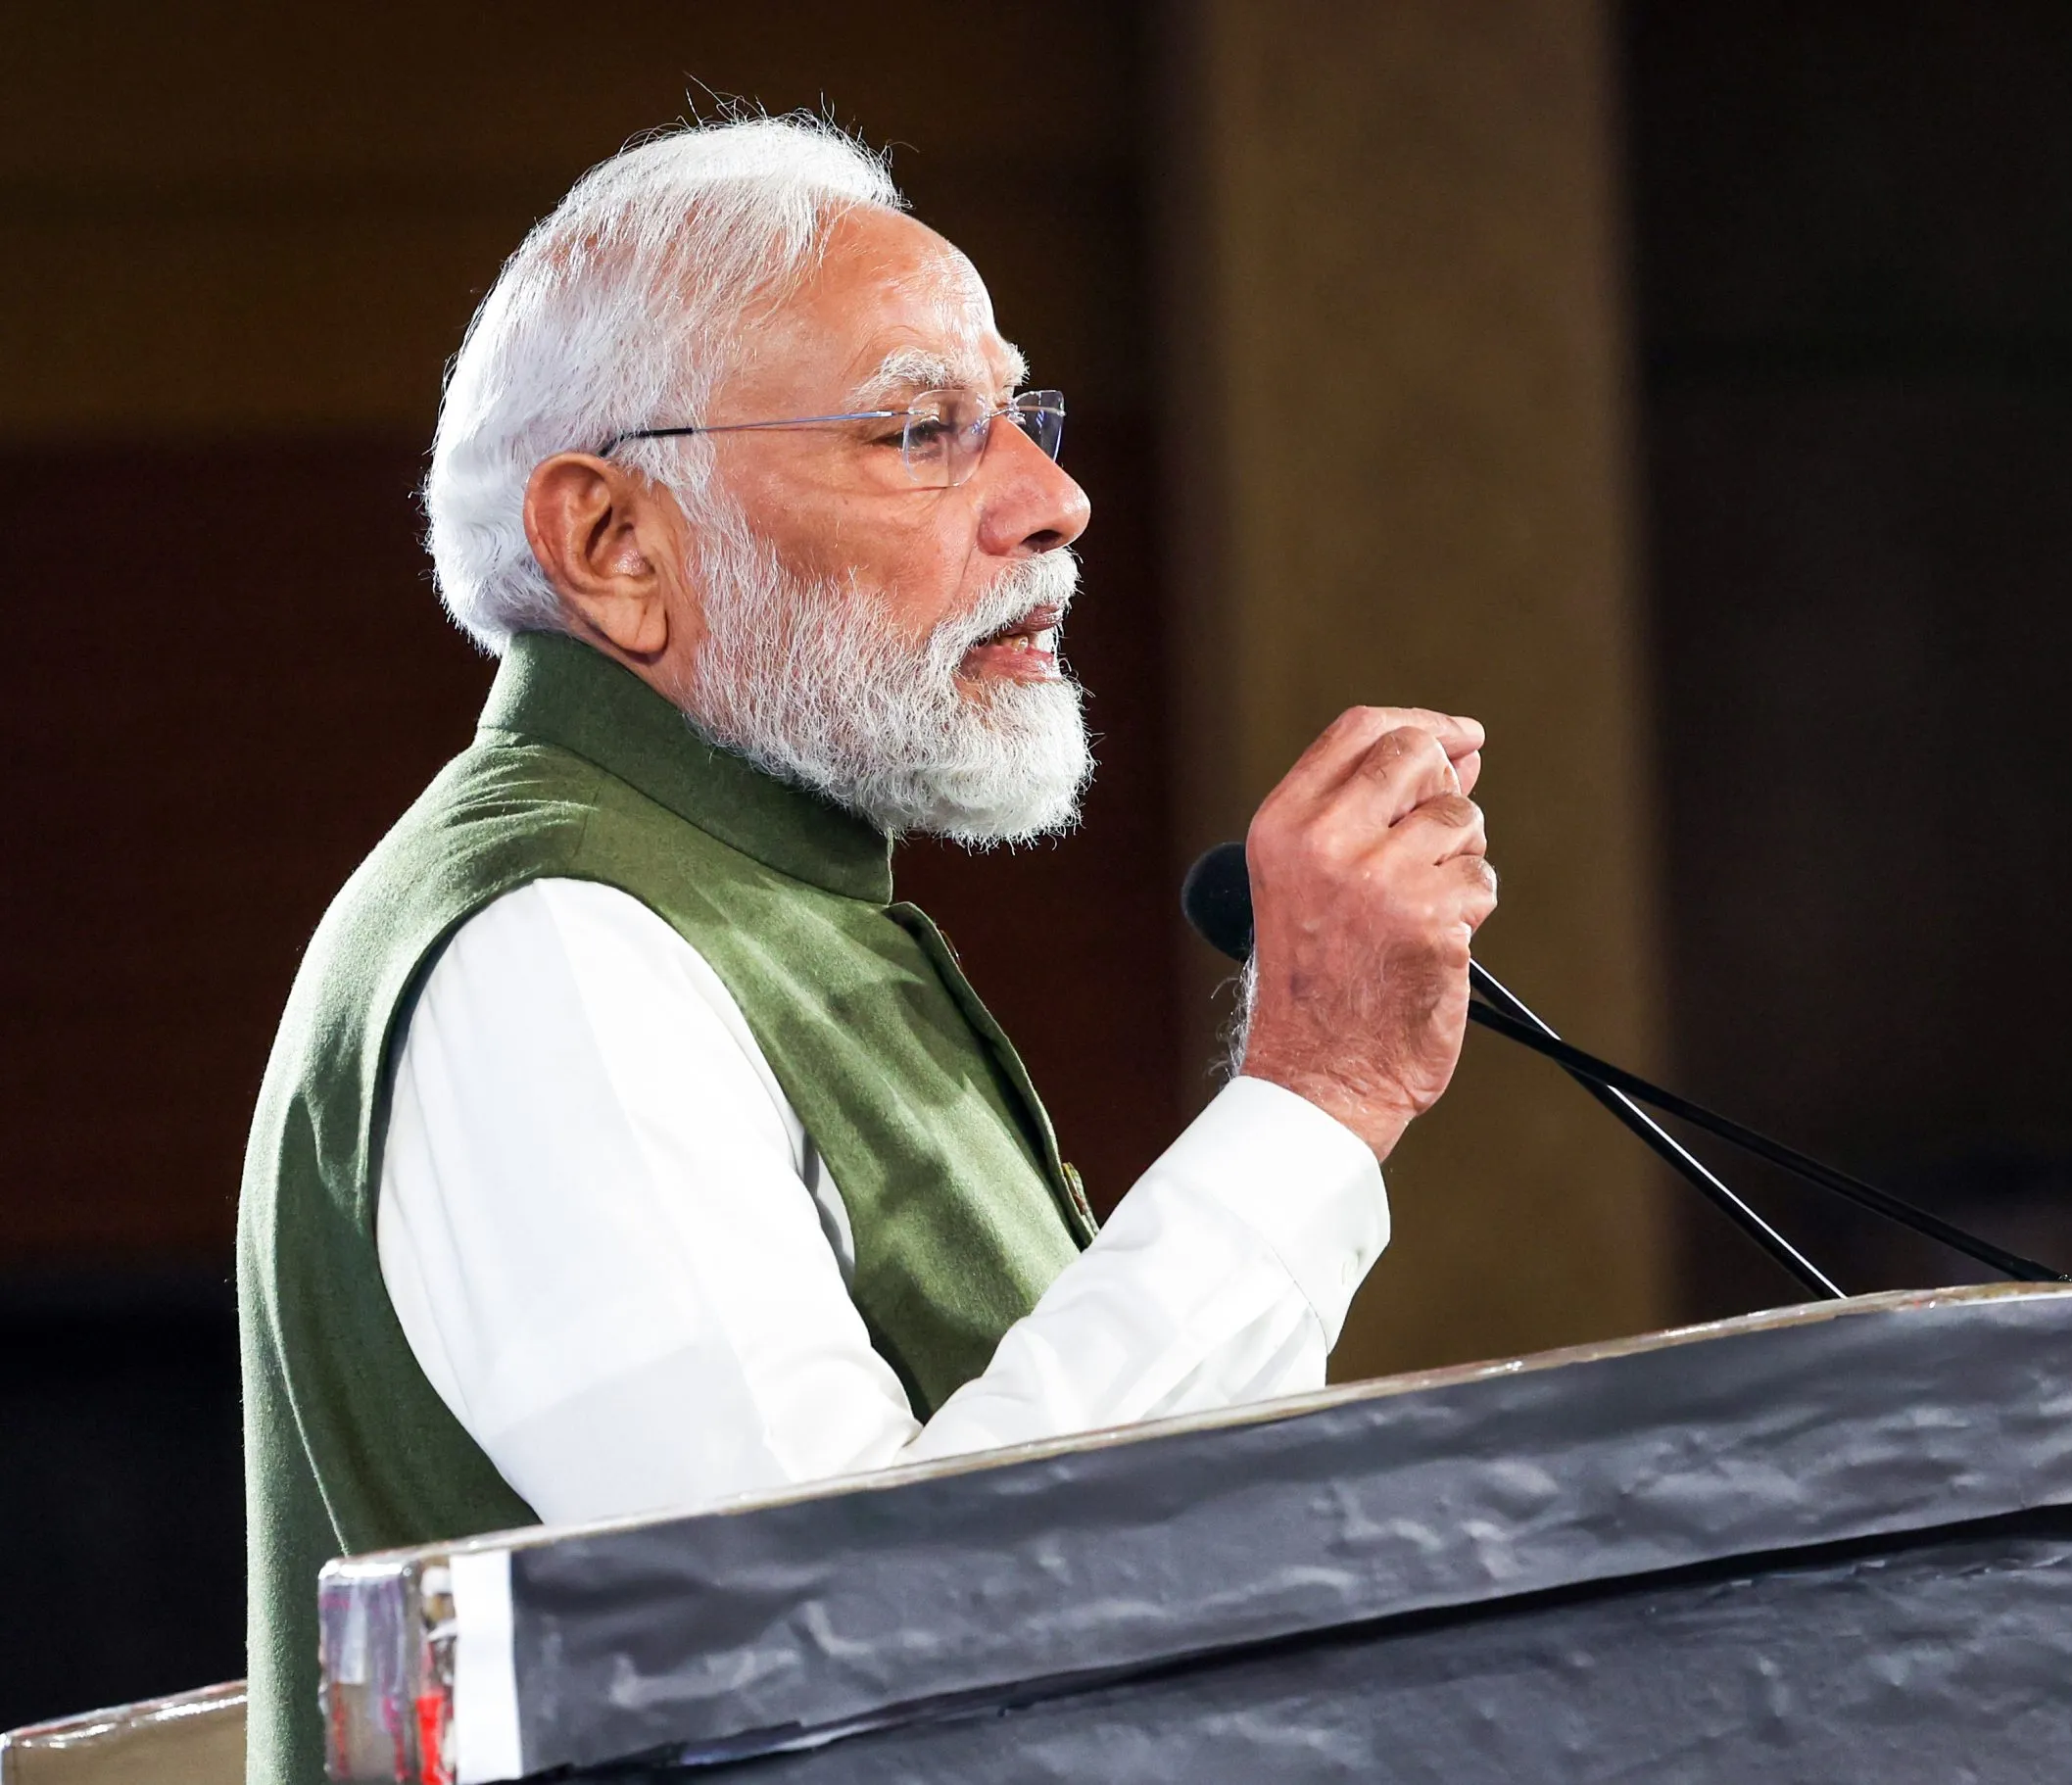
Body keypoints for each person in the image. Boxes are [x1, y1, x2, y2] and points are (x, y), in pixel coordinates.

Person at [235, 114, 1497, 1783]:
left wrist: (1325, 1113)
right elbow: (851, 1651)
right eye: (921, 430)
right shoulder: (551, 953)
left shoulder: (761, 899)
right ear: (614, 545)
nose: (1056, 499)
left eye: (1020, 419)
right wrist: (1311, 1096)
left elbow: (1147, 1557)